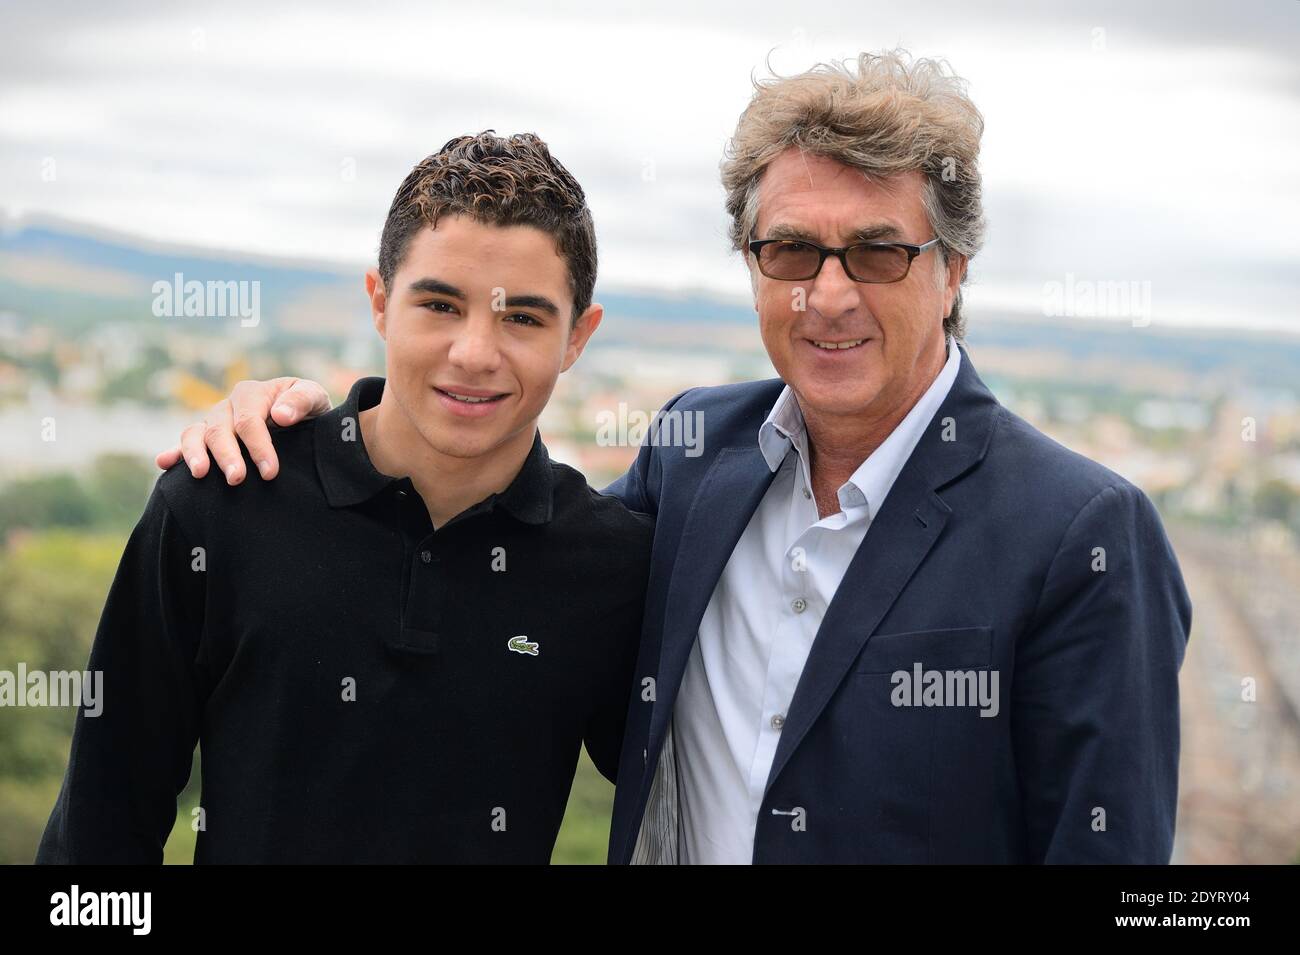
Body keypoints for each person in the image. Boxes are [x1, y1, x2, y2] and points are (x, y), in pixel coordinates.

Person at [160, 51, 1193, 864]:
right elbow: (498, 566)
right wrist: (296, 427)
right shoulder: (698, 458)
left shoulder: (1078, 532)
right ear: (749, 262)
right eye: (788, 249)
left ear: (952, 269)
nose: (826, 295)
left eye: (877, 252)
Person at [38, 131, 651, 863]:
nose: (475, 353)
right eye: (440, 305)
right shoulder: (222, 501)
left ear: (578, 336)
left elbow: (707, 796)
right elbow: (99, 831)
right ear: (380, 304)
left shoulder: (616, 566)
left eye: (523, 317)